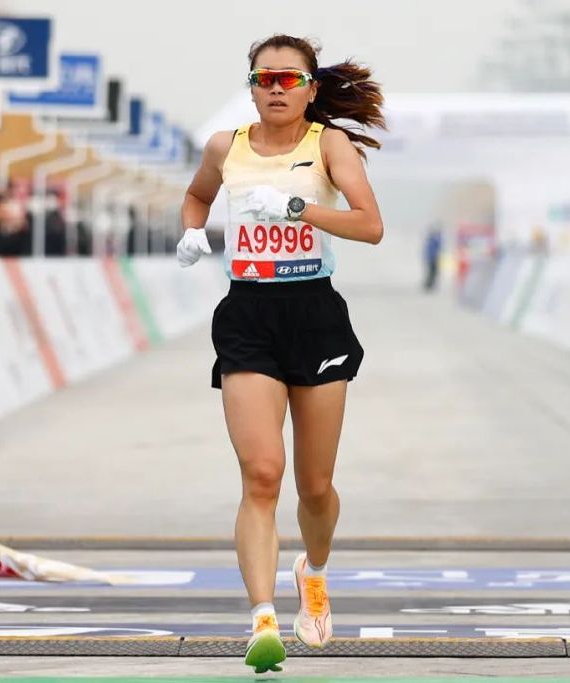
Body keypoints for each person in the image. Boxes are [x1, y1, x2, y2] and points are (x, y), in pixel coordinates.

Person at [176, 34, 384, 674]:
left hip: (314, 314)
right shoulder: (225, 147)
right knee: (262, 473)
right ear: (251, 85)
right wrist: (190, 231)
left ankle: (313, 571)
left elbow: (370, 225)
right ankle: (262, 619)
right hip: (249, 314)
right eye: (264, 78)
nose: (275, 88)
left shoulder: (329, 145)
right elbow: (197, 196)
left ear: (311, 89)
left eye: (288, 80)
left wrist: (299, 207)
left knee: (315, 486)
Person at [423, 223, 442, 291]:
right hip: (433, 258)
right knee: (432, 272)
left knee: (433, 272)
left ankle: (429, 284)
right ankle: (428, 284)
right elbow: (434, 249)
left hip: (433, 257)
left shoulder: (432, 239)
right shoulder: (433, 239)